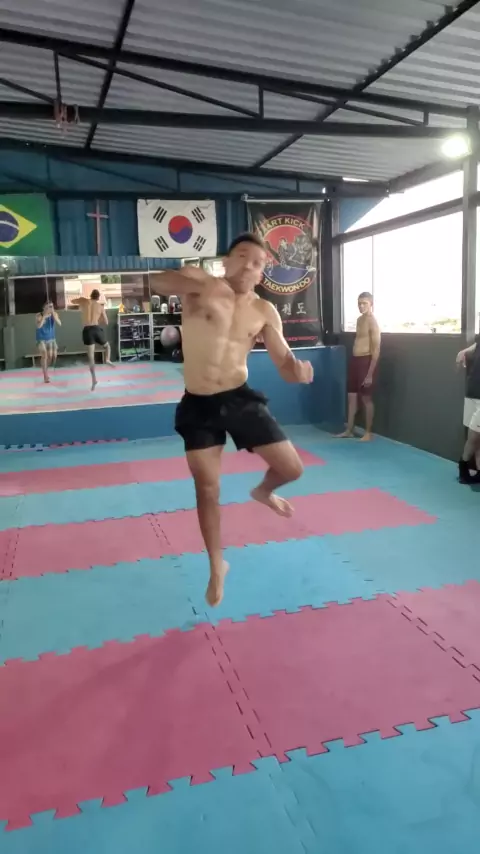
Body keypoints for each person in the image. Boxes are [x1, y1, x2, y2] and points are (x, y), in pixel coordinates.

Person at [149, 233, 313, 607]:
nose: (248, 265)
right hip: (198, 403)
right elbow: (158, 282)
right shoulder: (200, 286)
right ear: (226, 261)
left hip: (238, 398)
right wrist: (194, 281)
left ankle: (264, 491)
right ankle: (216, 564)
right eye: (241, 256)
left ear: (262, 273)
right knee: (207, 489)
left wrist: (298, 372)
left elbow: (284, 363)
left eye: (257, 262)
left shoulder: (264, 311)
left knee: (292, 469)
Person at [337, 291, 381, 442]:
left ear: (371, 304)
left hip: (366, 361)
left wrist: (370, 374)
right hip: (355, 360)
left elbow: (376, 349)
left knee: (366, 398)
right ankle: (349, 429)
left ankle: (368, 432)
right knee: (351, 396)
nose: (361, 306)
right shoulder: (359, 320)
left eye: (364, 303)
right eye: (359, 303)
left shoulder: (372, 322)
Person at [71, 289, 114, 390]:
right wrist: (98, 319)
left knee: (91, 357)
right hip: (96, 328)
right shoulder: (100, 307)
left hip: (87, 330)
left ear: (91, 295)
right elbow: (106, 322)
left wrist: (80, 300)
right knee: (107, 346)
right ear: (98, 297)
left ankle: (94, 379)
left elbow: (72, 301)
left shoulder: (84, 301)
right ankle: (107, 359)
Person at [456, 337, 480, 484]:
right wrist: (464, 351)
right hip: (472, 392)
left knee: (475, 436)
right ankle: (474, 470)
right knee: (477, 437)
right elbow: (477, 344)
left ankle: (463, 466)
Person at [35, 300, 61, 384]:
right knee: (44, 355)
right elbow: (39, 326)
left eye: (52, 306)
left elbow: (59, 323)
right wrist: (44, 316)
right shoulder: (39, 315)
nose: (50, 308)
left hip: (51, 339)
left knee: (52, 357)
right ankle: (45, 376)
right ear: (44, 307)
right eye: (49, 306)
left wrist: (53, 315)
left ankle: (45, 369)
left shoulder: (54, 314)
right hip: (41, 339)